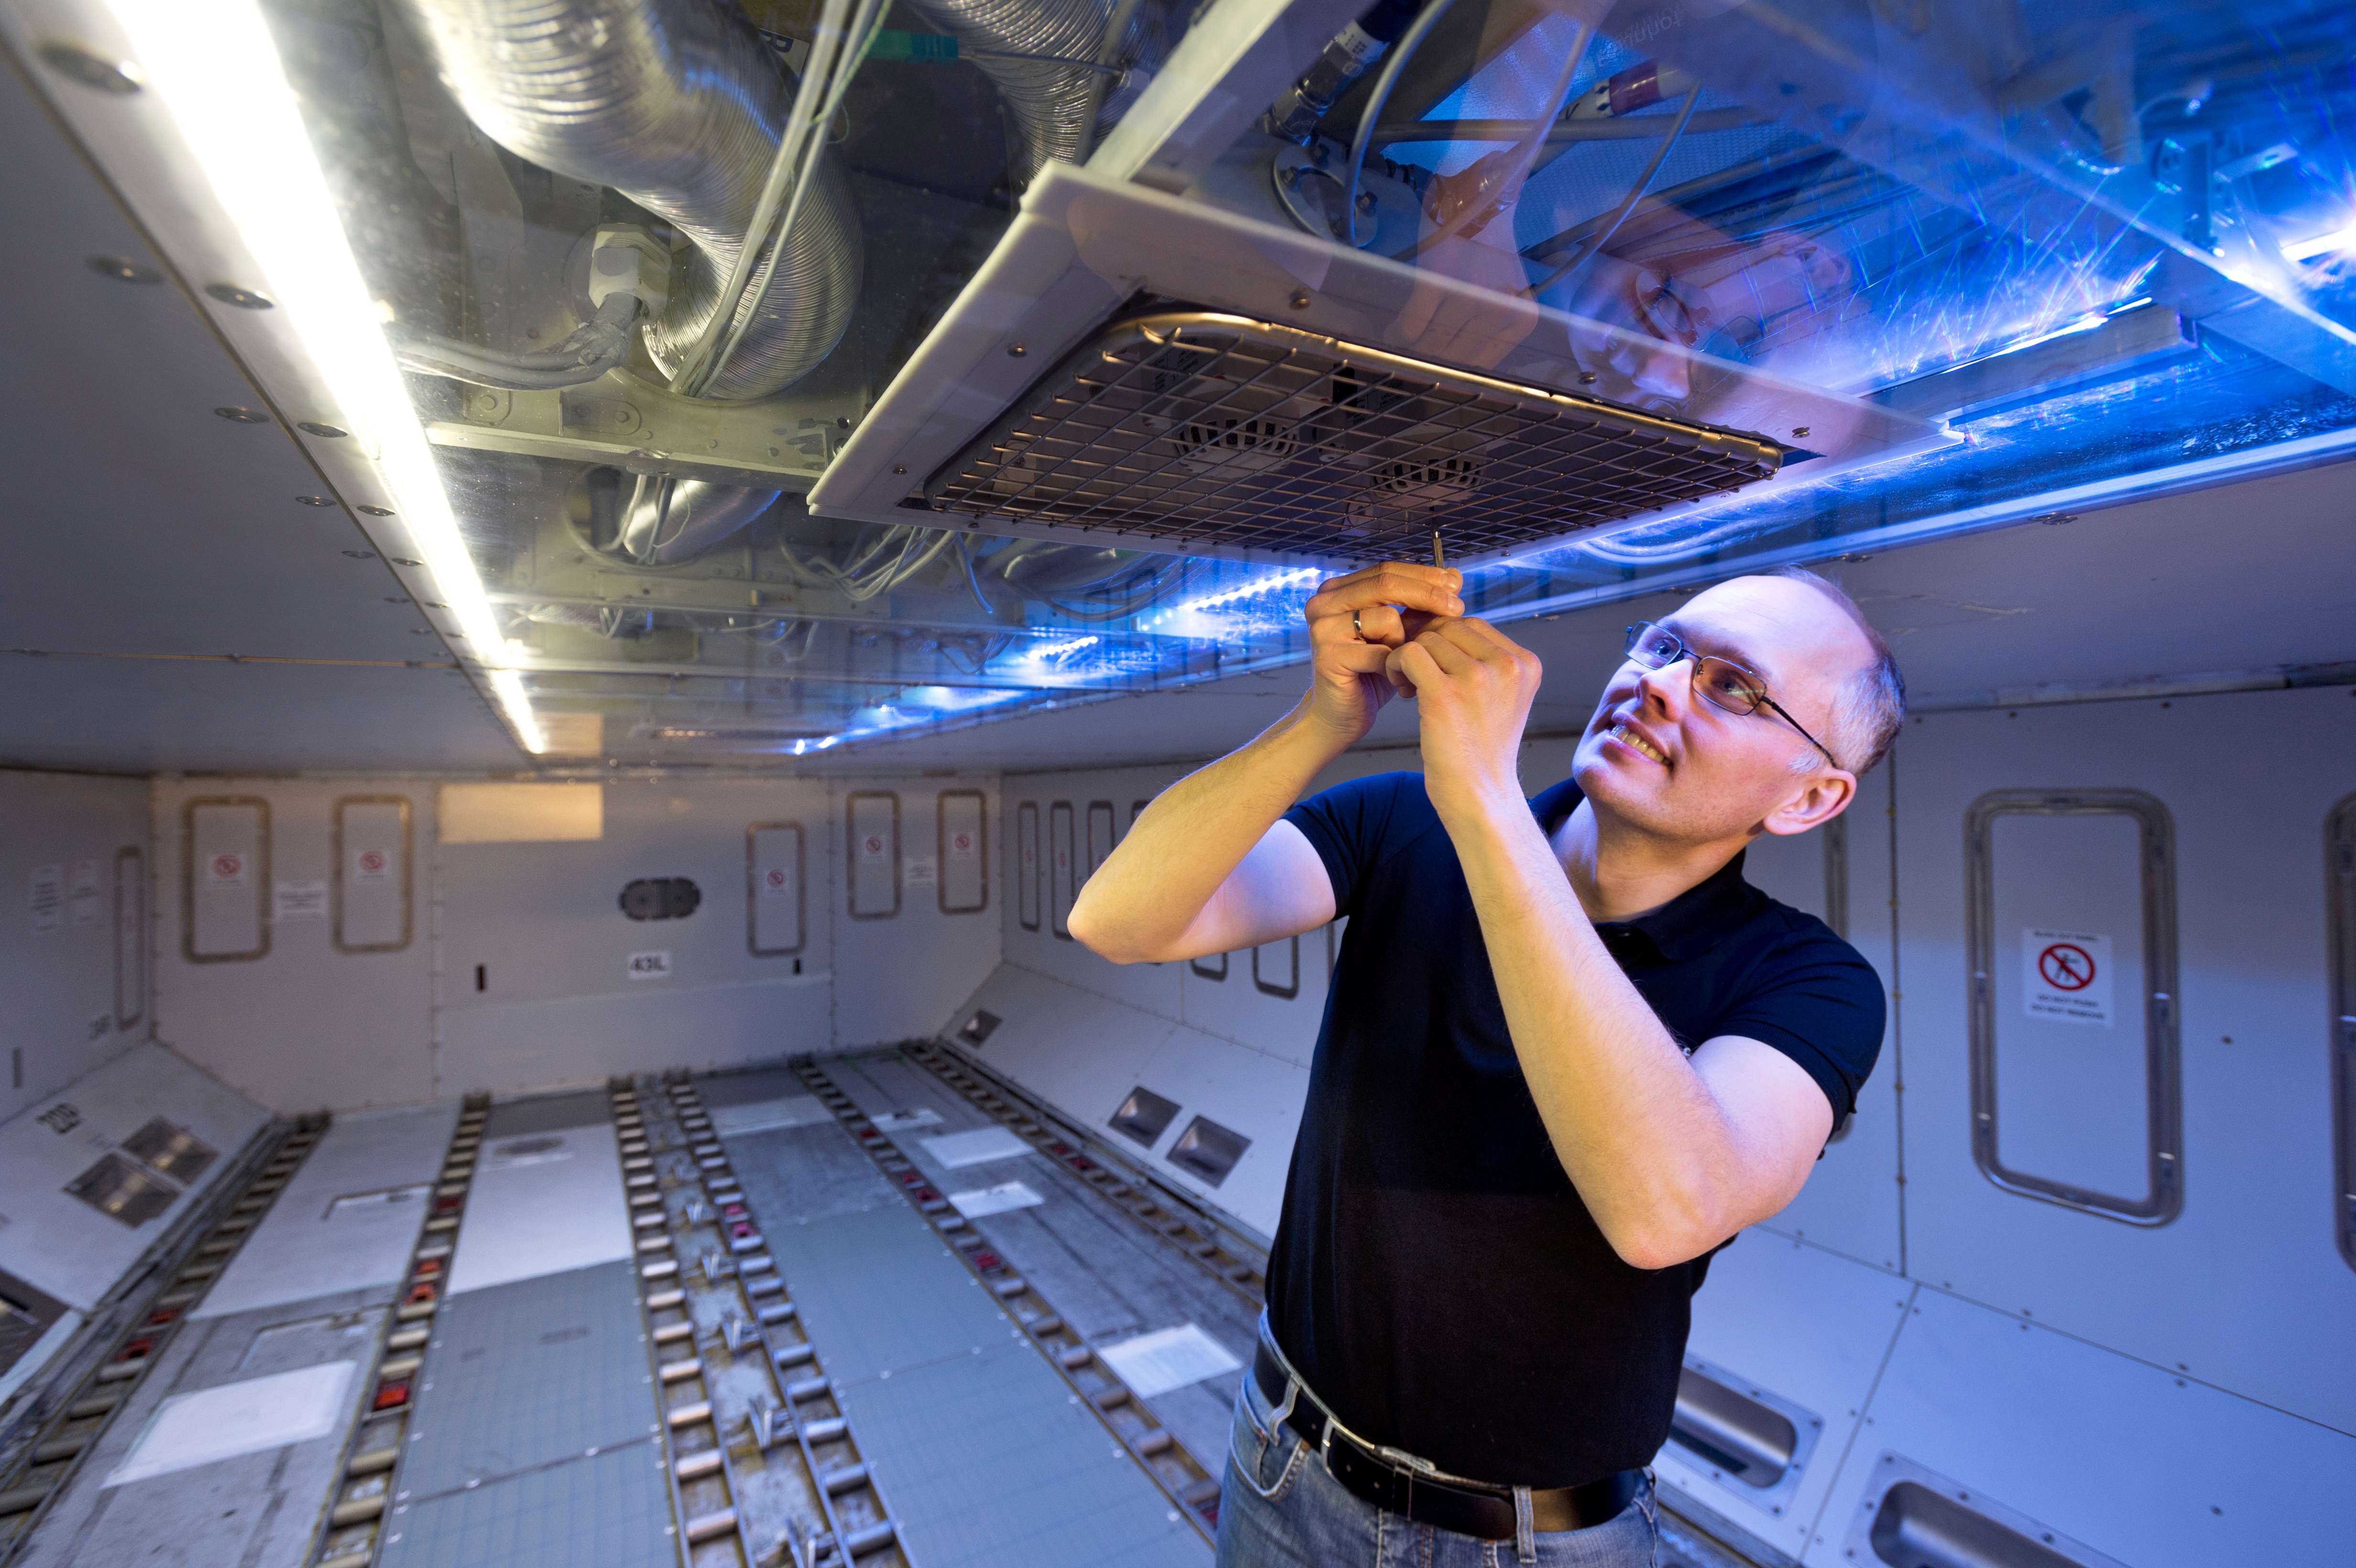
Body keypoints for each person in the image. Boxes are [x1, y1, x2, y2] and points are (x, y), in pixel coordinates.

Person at [1069, 561, 1903, 1567]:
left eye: (1732, 685)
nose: (1660, 681)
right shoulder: (1401, 825)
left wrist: (1485, 806)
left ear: (1810, 796)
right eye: (1665, 645)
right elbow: (1116, 919)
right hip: (1282, 1458)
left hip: (1527, 1541)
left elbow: (1667, 1209)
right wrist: (1326, 716)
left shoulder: (1807, 980)